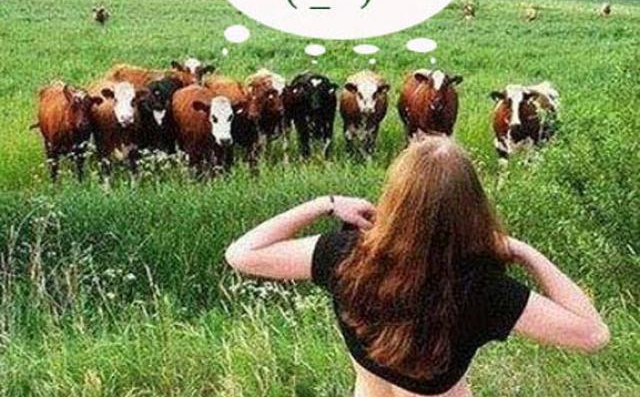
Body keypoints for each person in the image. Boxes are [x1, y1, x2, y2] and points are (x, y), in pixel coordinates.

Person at [225, 135, 609, 397]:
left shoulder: (345, 254)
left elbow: (242, 254)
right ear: (471, 208)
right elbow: (593, 334)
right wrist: (524, 251)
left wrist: (326, 203)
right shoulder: (482, 289)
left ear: (394, 198)